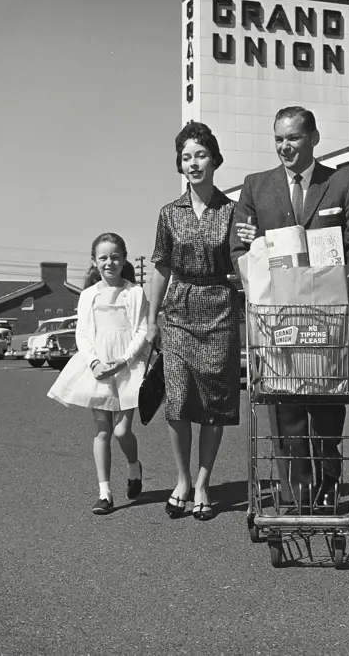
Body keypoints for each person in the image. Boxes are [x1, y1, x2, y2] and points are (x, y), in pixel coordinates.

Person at [230, 105, 349, 511]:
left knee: (327, 411)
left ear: (313, 138)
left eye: (292, 138)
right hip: (277, 322)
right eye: (278, 139)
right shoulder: (256, 187)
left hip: (327, 321)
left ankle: (329, 489)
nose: (284, 146)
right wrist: (252, 276)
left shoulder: (342, 183)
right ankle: (296, 497)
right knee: (286, 412)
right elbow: (239, 247)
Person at [148, 121, 240, 522]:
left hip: (219, 309)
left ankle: (204, 483)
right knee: (178, 402)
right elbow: (161, 269)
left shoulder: (233, 211)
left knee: (213, 406)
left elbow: (244, 260)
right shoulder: (169, 214)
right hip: (179, 312)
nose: (193, 162)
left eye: (200, 154)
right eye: (186, 157)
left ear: (215, 159)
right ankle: (182, 479)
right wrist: (151, 320)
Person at [48, 233, 149, 515]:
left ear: (124, 258)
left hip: (128, 367)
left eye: (115, 256)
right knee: (102, 430)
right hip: (98, 367)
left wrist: (124, 360)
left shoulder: (135, 292)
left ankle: (133, 468)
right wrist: (93, 363)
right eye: (103, 257)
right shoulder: (88, 295)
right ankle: (104, 493)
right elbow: (83, 333)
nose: (109, 262)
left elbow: (142, 330)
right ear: (94, 261)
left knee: (122, 430)